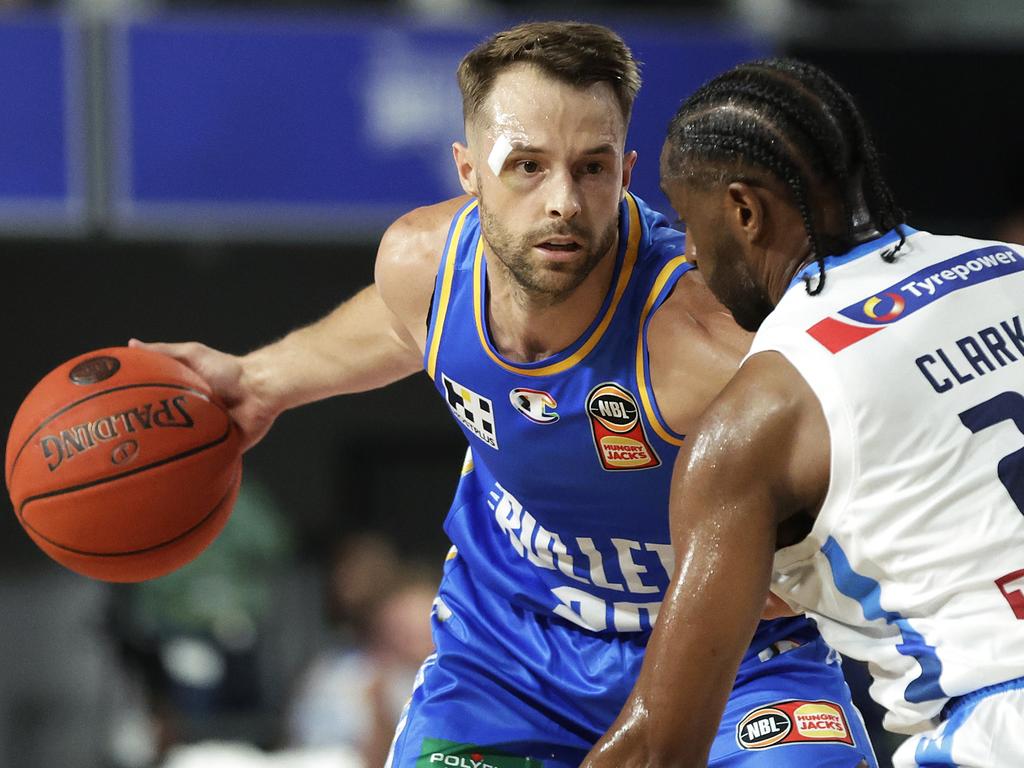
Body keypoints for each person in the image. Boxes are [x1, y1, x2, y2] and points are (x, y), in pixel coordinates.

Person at [133, 26, 875, 767]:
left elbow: (870, 465)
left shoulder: (709, 337)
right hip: (507, 656)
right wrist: (261, 382)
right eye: (527, 166)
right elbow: (399, 326)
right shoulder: (422, 265)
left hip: (732, 659)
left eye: (592, 167)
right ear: (468, 171)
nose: (564, 201)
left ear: (627, 173)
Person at [583, 58, 1024, 768]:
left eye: (691, 225)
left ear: (745, 212)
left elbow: (658, 750)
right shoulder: (1012, 264)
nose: (691, 253)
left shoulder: (762, 412)